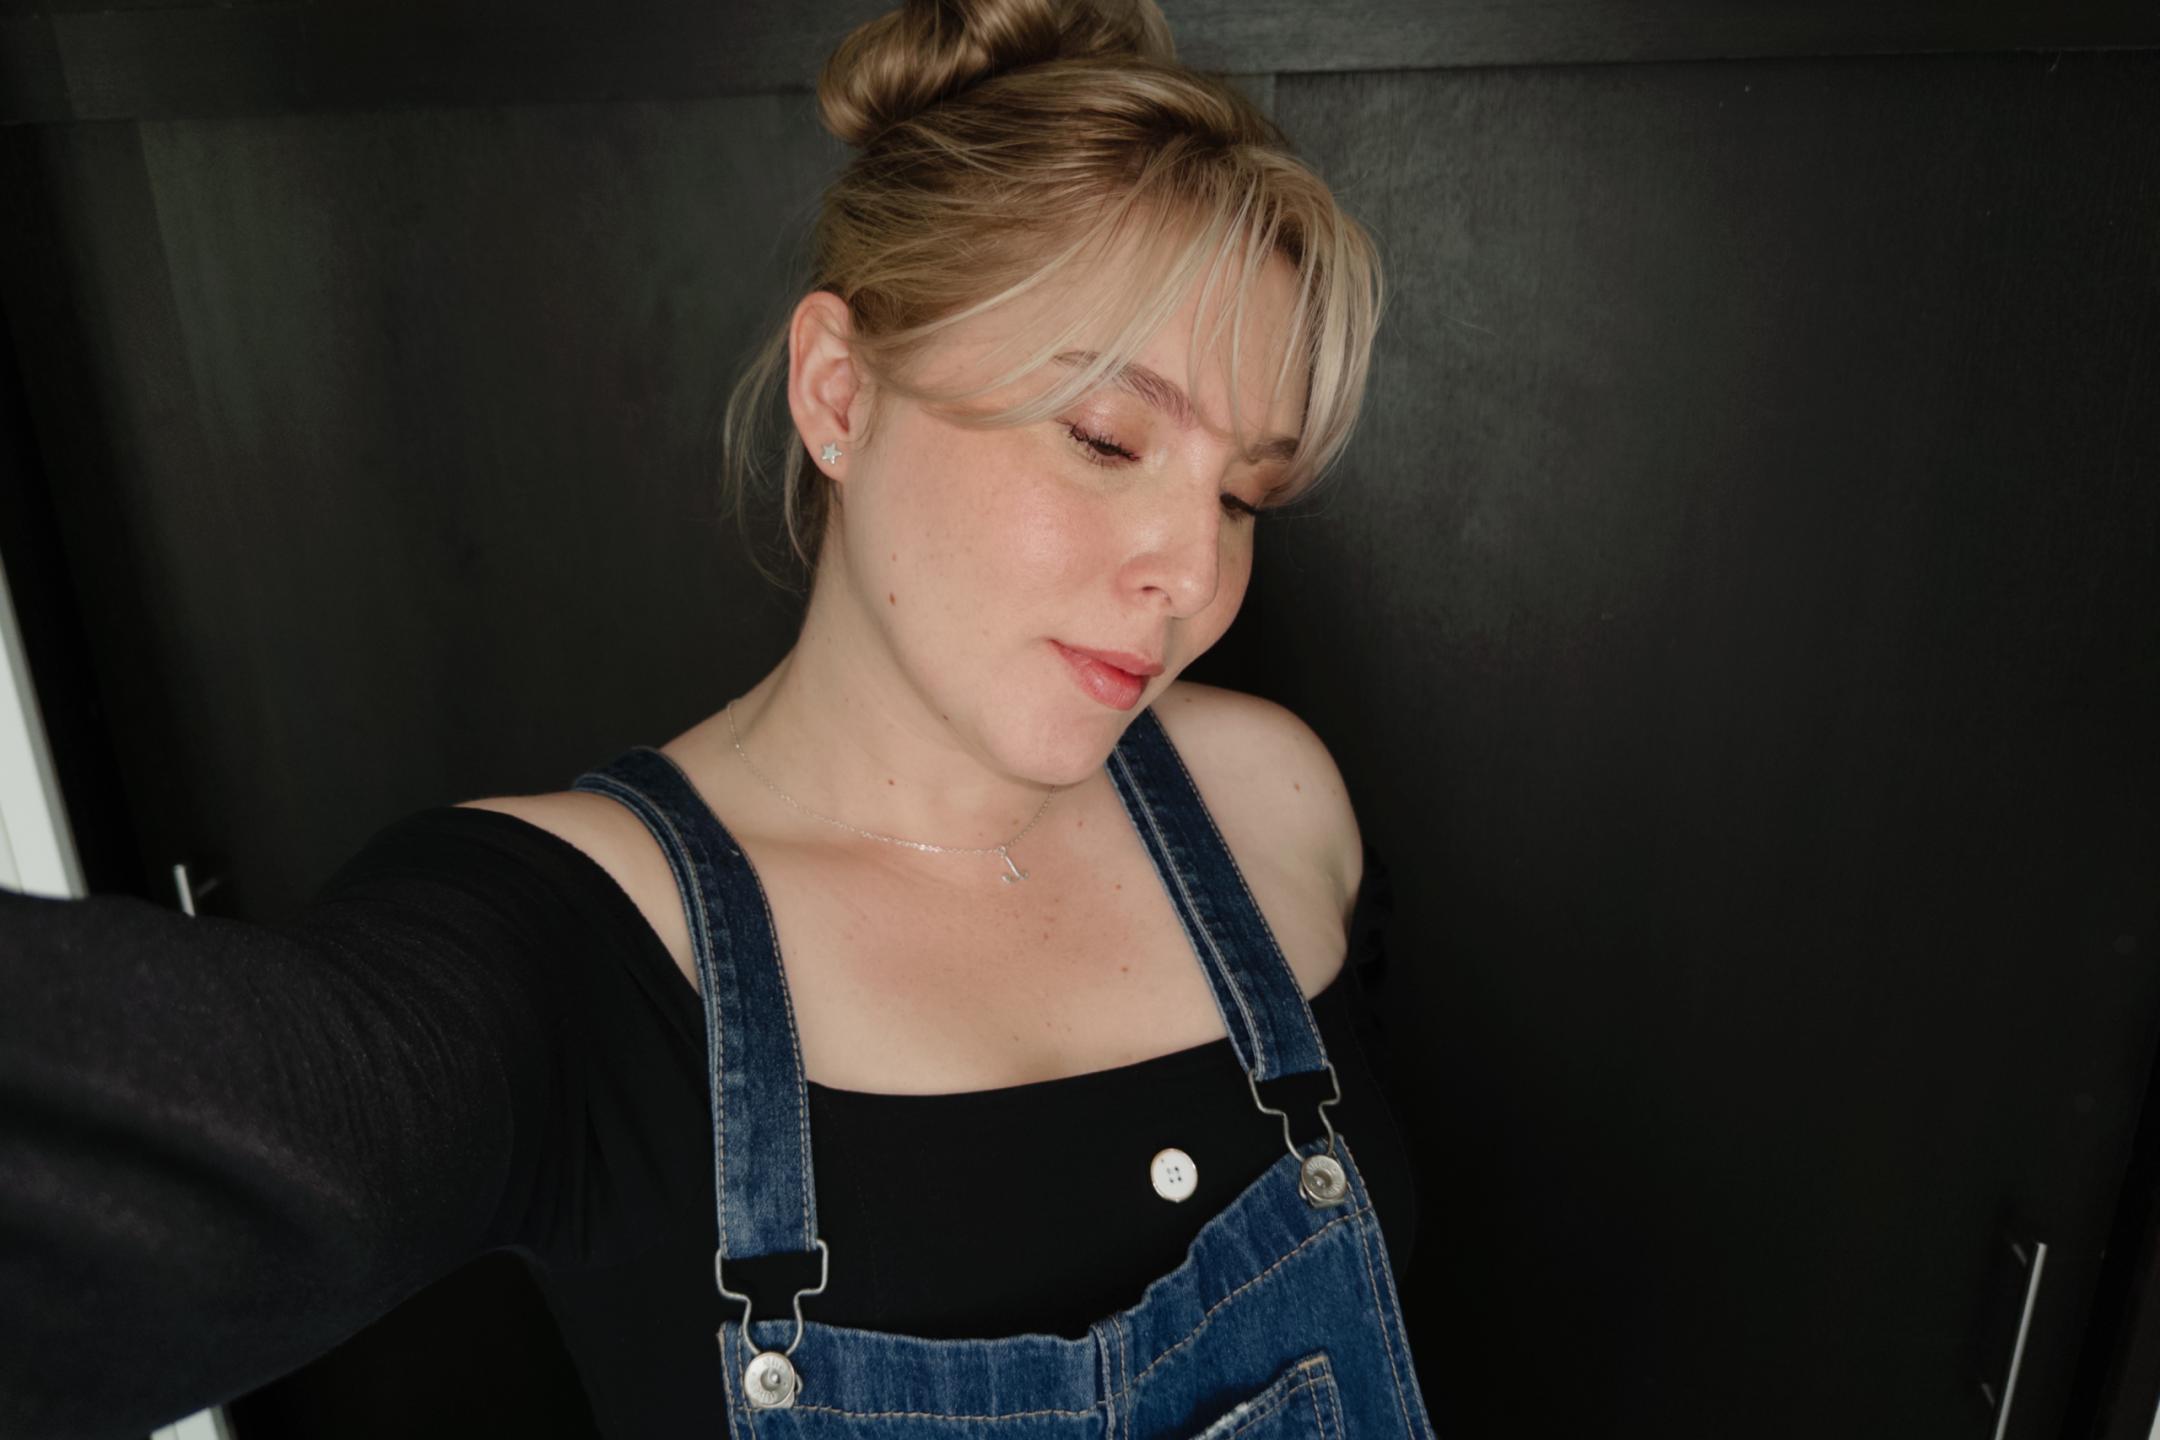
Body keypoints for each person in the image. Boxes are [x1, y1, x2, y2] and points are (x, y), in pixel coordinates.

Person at [0, 0, 1435, 1434]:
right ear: (840, 393)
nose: (1196, 573)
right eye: (1108, 438)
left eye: (1242, 495)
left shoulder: (1272, 802)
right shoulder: (581, 948)